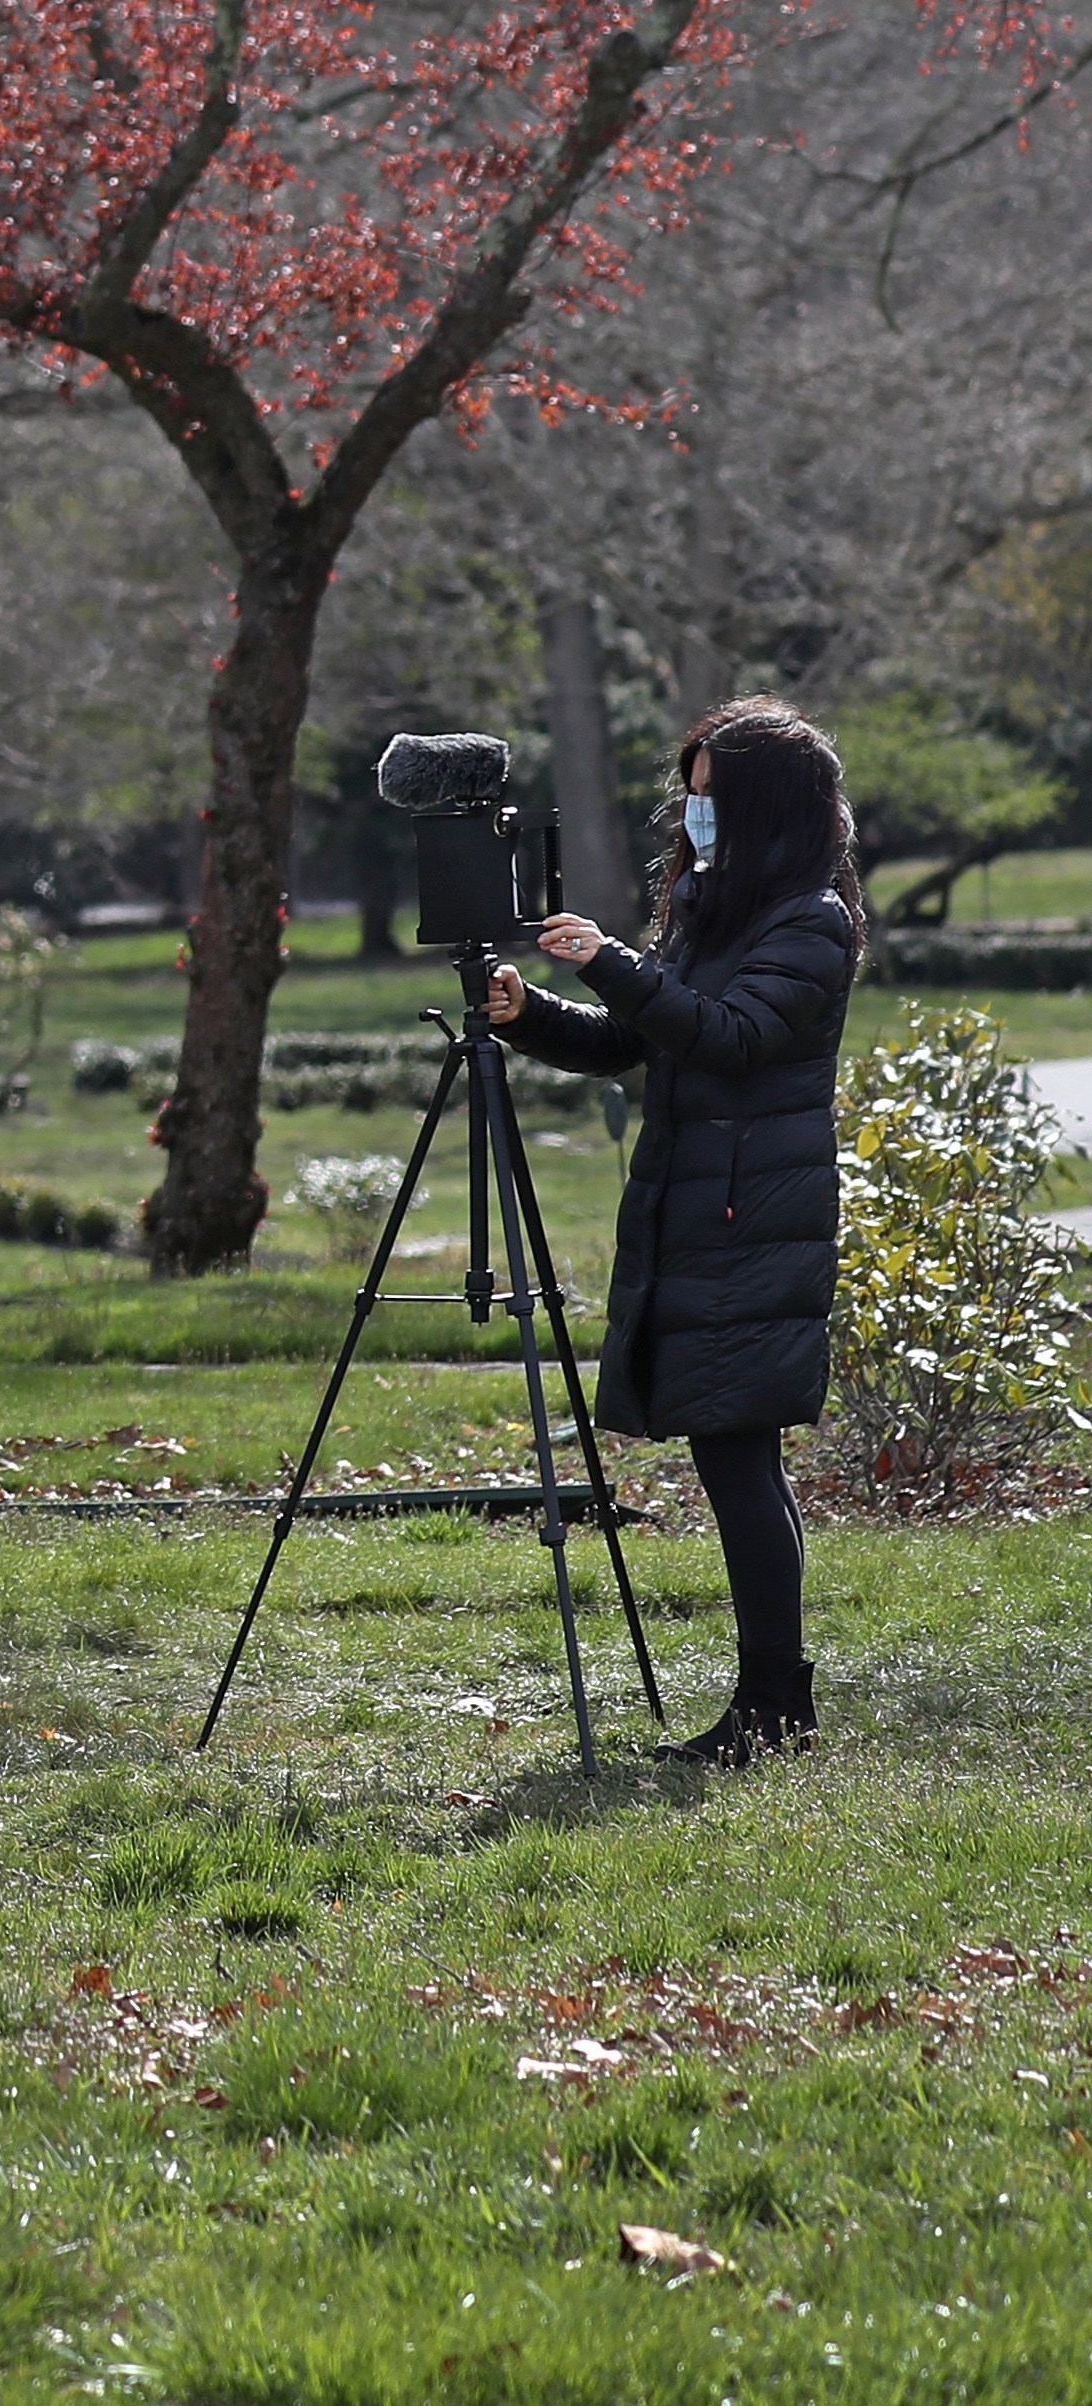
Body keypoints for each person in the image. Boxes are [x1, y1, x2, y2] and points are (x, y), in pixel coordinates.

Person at [487, 694, 862, 1769]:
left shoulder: (809, 923)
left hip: (755, 1220)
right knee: (736, 1458)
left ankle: (774, 1708)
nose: (694, 820)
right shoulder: (714, 912)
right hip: (702, 1210)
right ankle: (775, 1706)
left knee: (739, 1457)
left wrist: (612, 960)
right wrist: (536, 1015)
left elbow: (732, 1037)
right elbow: (641, 1043)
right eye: (688, 799)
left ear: (767, 809)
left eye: (712, 801)